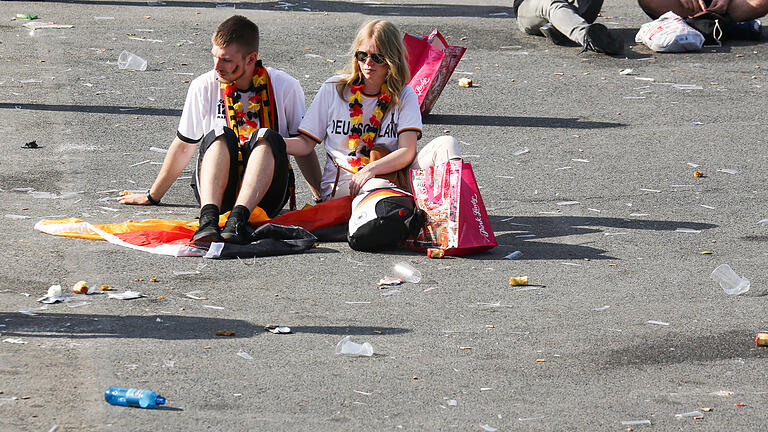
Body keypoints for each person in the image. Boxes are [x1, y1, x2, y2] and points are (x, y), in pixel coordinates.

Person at [118, 15, 322, 244]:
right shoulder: (203, 85)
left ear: (251, 59)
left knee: (265, 136)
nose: (216, 67)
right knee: (220, 134)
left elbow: (304, 149)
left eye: (225, 60)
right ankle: (208, 222)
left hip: (267, 196)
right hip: (217, 194)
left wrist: (321, 198)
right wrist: (152, 196)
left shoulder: (285, 86)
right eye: (214, 57)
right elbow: (184, 145)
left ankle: (239, 221)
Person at [286, 20, 461, 200]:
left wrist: (372, 168)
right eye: (362, 55)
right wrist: (271, 141)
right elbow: (306, 143)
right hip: (347, 185)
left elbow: (407, 151)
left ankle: (451, 217)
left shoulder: (404, 94)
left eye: (378, 58)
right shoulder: (334, 89)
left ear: (392, 60)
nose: (368, 63)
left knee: (447, 144)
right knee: (376, 186)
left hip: (391, 177)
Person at [514, 0, 624, 54]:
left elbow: (589, 8)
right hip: (529, 8)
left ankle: (561, 28)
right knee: (553, 4)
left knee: (564, 9)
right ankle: (586, 37)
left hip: (565, 10)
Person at [638, 0, 765, 36]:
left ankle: (692, 28)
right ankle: (727, 29)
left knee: (761, 2)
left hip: (726, 5)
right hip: (685, 6)